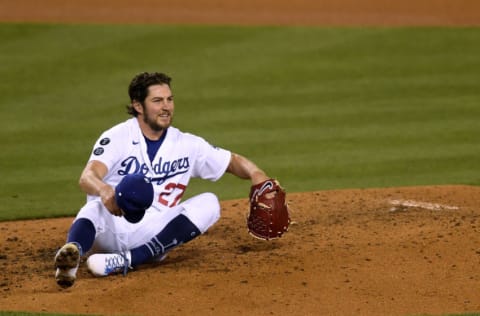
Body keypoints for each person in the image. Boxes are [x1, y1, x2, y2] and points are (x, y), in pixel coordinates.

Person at [54, 72, 271, 288]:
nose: (166, 107)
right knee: (94, 208)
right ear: (138, 106)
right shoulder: (118, 136)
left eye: (170, 99)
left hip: (156, 233)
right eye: (157, 101)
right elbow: (87, 176)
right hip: (111, 226)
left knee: (210, 203)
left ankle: (127, 260)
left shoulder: (186, 144)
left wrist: (257, 175)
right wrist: (103, 189)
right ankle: (71, 255)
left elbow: (231, 161)